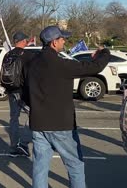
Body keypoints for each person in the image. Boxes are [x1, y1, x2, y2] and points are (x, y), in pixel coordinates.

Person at [26, 26, 110, 188]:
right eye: (62, 38)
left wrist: (36, 107)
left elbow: (25, 91)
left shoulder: (33, 62)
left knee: (40, 167)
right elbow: (94, 68)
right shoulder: (60, 63)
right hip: (60, 124)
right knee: (75, 165)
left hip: (38, 122)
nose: (64, 41)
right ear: (53, 42)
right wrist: (104, 53)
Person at [1, 31, 35, 157]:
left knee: (14, 119)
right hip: (23, 91)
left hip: (10, 90)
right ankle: (24, 143)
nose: (27, 42)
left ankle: (13, 147)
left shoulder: (8, 55)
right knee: (33, 116)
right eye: (26, 40)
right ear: (23, 41)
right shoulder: (27, 55)